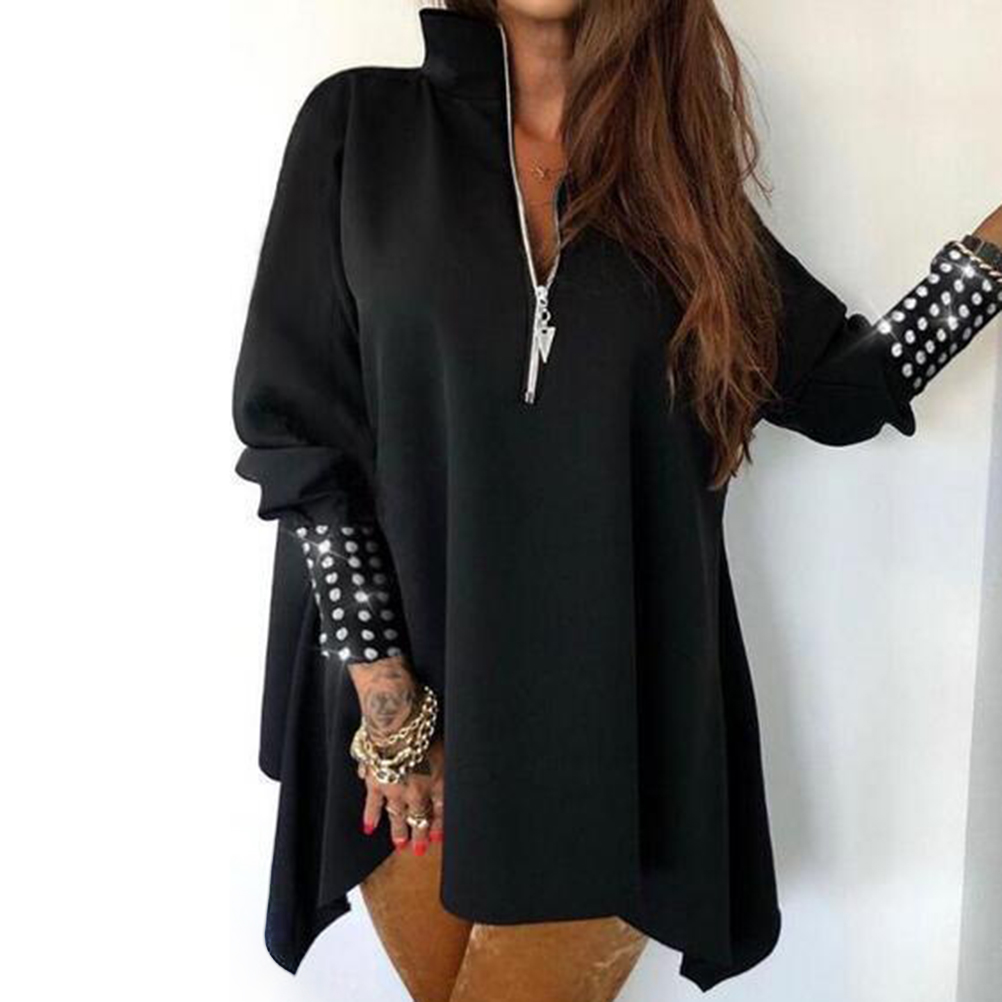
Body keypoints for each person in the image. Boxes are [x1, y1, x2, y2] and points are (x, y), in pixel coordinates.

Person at [231, 2, 1002, 999]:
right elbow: (298, 434)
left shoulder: (676, 188)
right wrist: (390, 705)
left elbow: (845, 391)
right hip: (407, 722)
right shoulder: (358, 131)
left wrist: (993, 250)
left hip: (612, 728)